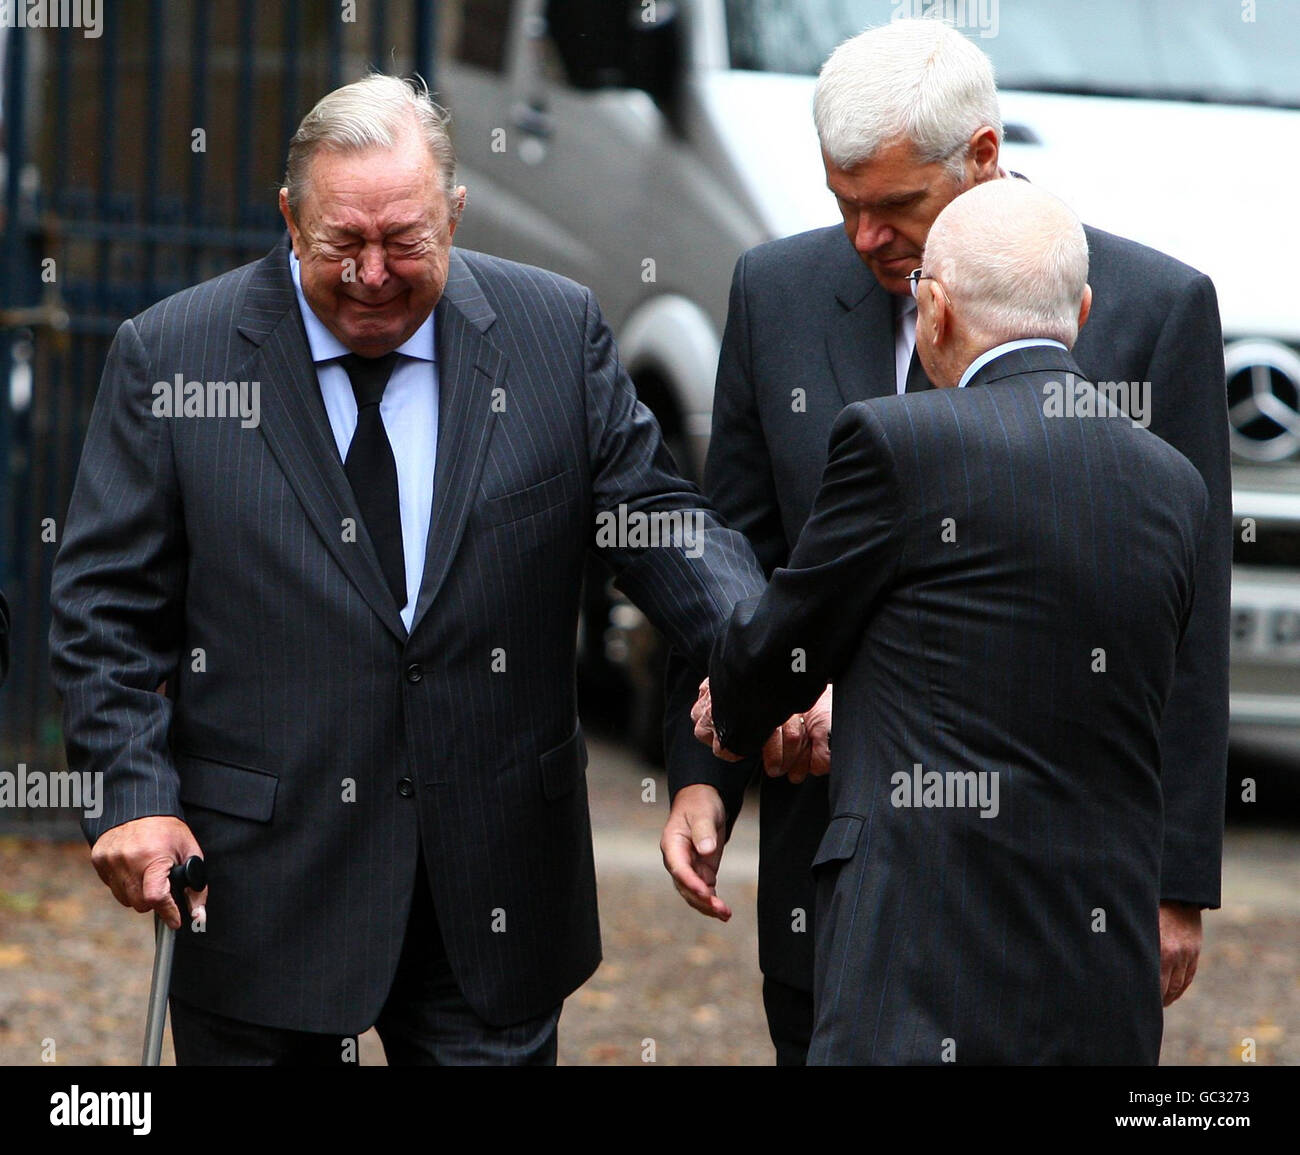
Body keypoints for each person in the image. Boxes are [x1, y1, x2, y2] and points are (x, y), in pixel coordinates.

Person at [49, 74, 763, 1065]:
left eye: (406, 242)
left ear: (455, 214)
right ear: (289, 217)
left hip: (495, 884)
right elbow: (102, 608)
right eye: (344, 243)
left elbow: (658, 522)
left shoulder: (554, 338)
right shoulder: (174, 357)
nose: (374, 275)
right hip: (262, 884)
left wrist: (769, 653)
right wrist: (132, 793)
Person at [660, 18, 1230, 1065]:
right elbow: (738, 544)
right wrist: (704, 770)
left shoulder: (1154, 311)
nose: (866, 239)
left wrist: (1176, 879)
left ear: (980, 154)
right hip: (844, 871)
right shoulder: (774, 292)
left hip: (1070, 897)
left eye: (894, 207)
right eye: (844, 207)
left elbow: (1188, 627)